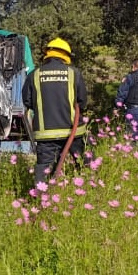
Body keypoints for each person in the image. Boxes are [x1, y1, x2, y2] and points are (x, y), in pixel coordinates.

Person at [21, 38, 88, 186]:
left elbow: (27, 101)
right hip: (73, 131)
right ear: (66, 55)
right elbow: (82, 102)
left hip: (46, 135)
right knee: (85, 163)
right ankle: (90, 192)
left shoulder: (34, 75)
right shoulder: (74, 74)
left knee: (43, 168)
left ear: (48, 54)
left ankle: (40, 199)